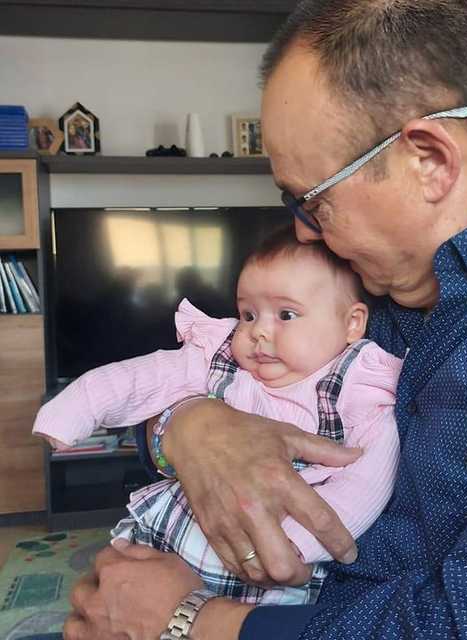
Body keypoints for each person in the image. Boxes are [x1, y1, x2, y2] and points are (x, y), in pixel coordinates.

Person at [43, 0, 467, 639]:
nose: (304, 234)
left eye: (312, 202)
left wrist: (187, 621)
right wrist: (192, 426)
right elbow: (204, 387)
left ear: (428, 161)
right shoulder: (382, 272)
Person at [33, 225, 402, 605]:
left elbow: (368, 478)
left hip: (276, 561)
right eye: (248, 314)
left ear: (351, 323)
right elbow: (143, 375)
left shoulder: (358, 386)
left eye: (286, 314)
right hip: (176, 534)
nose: (259, 331)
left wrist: (301, 544)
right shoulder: (221, 358)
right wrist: (75, 409)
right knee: (119, 598)